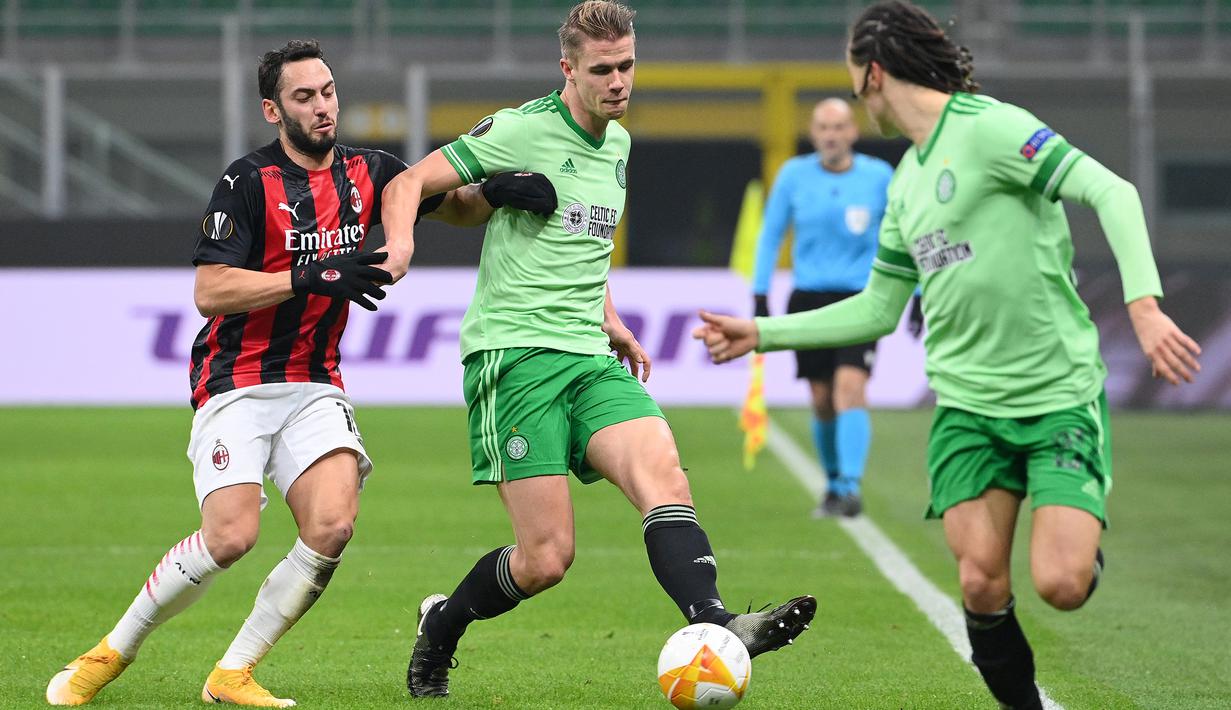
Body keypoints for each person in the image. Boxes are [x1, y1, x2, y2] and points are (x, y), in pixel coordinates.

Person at [693, 2, 1201, 708]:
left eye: (849, 76)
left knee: (1059, 584)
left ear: (872, 73)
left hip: (1054, 397)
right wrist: (765, 333)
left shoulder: (991, 127)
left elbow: (1109, 191)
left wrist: (1142, 307)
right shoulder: (903, 185)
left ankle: (1079, 553)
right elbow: (876, 308)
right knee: (979, 583)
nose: (849, 92)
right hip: (966, 409)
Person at [45, 40, 555, 708]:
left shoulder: (370, 172)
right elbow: (210, 290)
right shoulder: (247, 182)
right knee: (231, 536)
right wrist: (305, 275)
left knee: (332, 525)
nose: (322, 107)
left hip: (316, 379)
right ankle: (110, 652)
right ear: (272, 109)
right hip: (237, 376)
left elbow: (447, 204)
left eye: (328, 92)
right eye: (304, 97)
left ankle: (233, 673)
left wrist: (495, 194)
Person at [377, 1, 816, 698]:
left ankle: (717, 621)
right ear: (568, 70)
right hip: (515, 357)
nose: (618, 82)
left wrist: (608, 316)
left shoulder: (617, 144)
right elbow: (411, 185)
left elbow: (580, 244)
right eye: (602, 70)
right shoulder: (520, 129)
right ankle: (443, 625)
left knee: (663, 476)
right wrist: (405, 245)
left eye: (627, 65)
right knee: (546, 559)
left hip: (587, 354)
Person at [751, 97, 894, 518]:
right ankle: (832, 484)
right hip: (808, 298)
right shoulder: (794, 176)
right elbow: (771, 234)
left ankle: (850, 487)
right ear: (814, 134)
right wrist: (760, 293)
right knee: (821, 397)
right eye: (823, 128)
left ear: (853, 131)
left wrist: (917, 295)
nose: (832, 135)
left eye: (839, 127)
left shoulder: (878, 177)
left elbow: (900, 238)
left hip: (860, 299)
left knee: (851, 387)